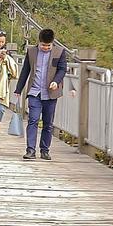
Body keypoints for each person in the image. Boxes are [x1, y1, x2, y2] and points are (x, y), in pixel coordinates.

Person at [24, 29, 67, 161]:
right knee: (33, 120)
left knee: (48, 123)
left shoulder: (60, 52)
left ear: (52, 43)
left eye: (48, 46)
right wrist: (18, 89)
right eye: (43, 45)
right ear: (39, 42)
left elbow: (62, 69)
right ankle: (30, 150)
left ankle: (44, 150)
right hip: (34, 91)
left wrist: (56, 81)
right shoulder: (31, 51)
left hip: (50, 93)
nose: (46, 48)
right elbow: (25, 70)